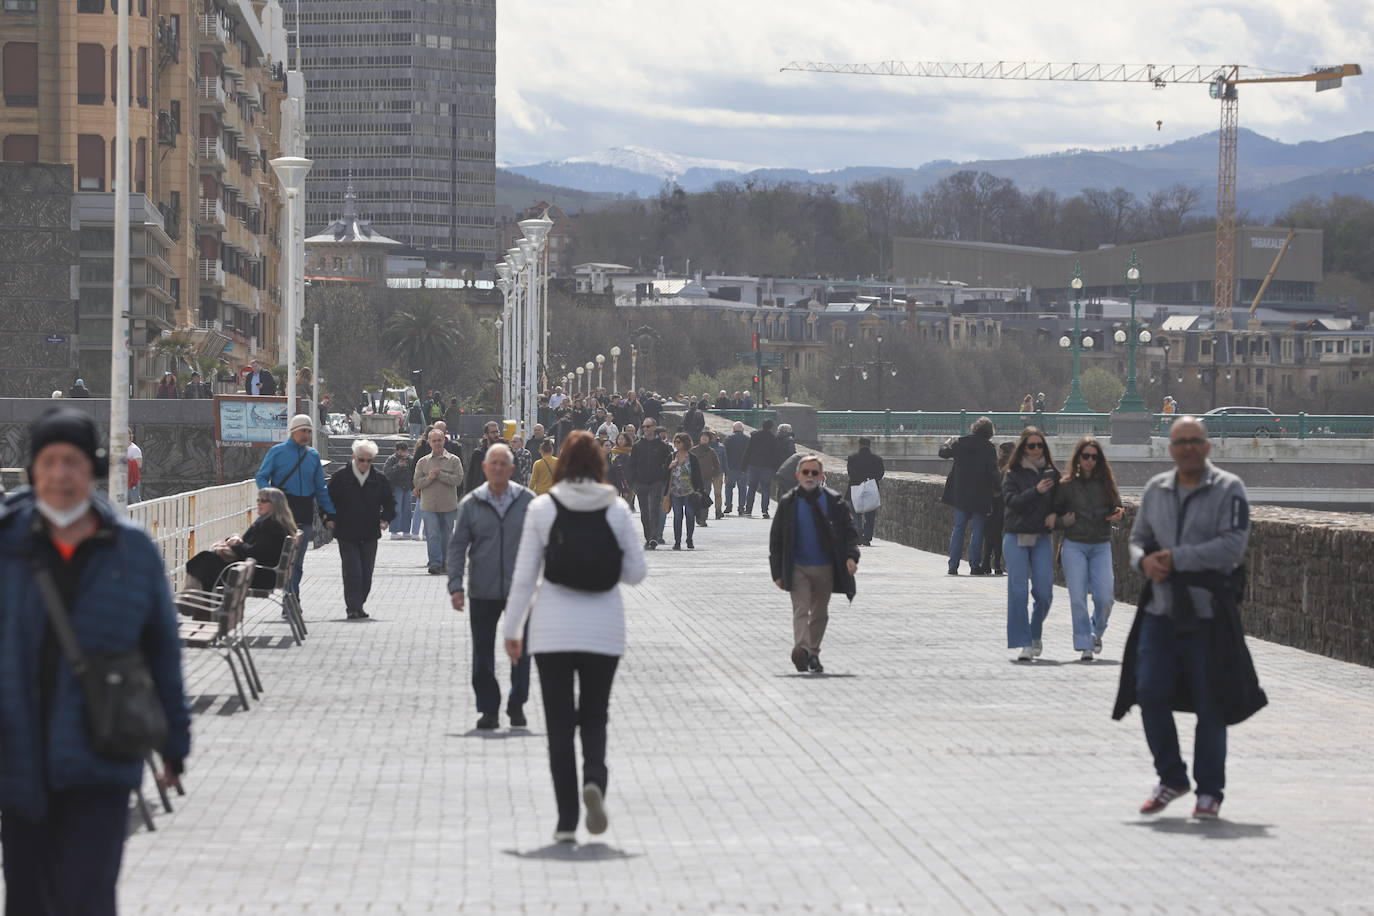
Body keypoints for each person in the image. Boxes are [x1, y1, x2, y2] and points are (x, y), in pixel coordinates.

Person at [0, 407, 190, 913]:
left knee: (87, 895)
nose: (61, 475)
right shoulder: (7, 543)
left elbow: (162, 652)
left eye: (73, 463)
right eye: (49, 462)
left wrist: (174, 743)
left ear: (94, 471)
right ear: (32, 471)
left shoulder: (130, 551)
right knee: (26, 899)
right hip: (19, 759)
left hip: (100, 754)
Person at [501, 430, 648, 843]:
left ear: (562, 462)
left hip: (551, 630)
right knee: (596, 714)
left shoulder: (543, 508)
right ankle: (595, 783)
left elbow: (524, 576)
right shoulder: (616, 508)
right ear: (600, 463)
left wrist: (512, 629)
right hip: (604, 628)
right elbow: (637, 573)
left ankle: (566, 820)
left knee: (560, 724)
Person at [1115, 417, 1260, 820]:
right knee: (1148, 691)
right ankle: (1172, 777)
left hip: (1207, 611)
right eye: (1181, 442)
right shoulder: (1156, 490)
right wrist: (1144, 561)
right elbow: (1137, 540)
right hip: (1161, 610)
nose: (1188, 448)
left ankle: (1210, 792)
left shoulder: (1229, 489)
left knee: (1209, 702)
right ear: (1171, 448)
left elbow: (1232, 546)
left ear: (1207, 447)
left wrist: (1176, 559)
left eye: (1195, 441)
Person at [448, 443, 535, 730]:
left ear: (511, 469)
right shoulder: (471, 504)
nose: (497, 468)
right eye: (492, 463)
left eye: (503, 464)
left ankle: (517, 703)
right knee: (482, 653)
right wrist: (455, 586)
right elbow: (458, 546)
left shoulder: (528, 502)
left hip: (520, 592)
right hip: (482, 590)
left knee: (521, 651)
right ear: (485, 468)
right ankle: (488, 708)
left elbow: (542, 546)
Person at [768, 454, 861, 675]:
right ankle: (801, 649)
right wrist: (777, 573)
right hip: (797, 566)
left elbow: (849, 532)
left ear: (822, 476)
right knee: (801, 609)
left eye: (814, 473)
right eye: (805, 472)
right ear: (797, 475)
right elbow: (777, 540)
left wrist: (851, 557)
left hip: (826, 567)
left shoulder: (834, 501)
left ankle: (813, 653)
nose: (810, 476)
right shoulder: (788, 502)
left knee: (820, 613)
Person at [1054, 437, 1125, 661]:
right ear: (1078, 458)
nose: (1090, 461)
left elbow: (1118, 507)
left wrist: (1118, 514)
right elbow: (1052, 515)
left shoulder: (1106, 483)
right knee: (1078, 598)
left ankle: (1097, 632)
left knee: (1105, 598)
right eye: (1086, 456)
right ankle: (1084, 643)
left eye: (1094, 457)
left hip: (1100, 545)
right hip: (1074, 545)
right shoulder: (1065, 486)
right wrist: (1062, 521)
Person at [255, 414, 336, 608]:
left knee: (297, 562)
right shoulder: (277, 452)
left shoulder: (313, 456)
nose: (306, 434)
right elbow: (261, 477)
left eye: (309, 431)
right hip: (282, 513)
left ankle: (291, 597)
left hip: (304, 512)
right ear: (293, 431)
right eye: (303, 431)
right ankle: (290, 597)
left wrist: (330, 512)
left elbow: (320, 488)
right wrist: (272, 498)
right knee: (284, 559)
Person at [1002, 427, 1059, 661]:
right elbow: (1012, 503)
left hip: (1041, 537)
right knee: (1018, 591)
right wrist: (1035, 491)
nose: (1036, 450)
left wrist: (1056, 515)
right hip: (1016, 536)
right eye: (1031, 446)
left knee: (1044, 592)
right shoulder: (1013, 474)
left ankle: (1035, 634)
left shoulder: (1053, 474)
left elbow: (1062, 502)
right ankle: (1024, 642)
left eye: (1040, 446)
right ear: (1023, 448)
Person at [326, 439, 395, 619]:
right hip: (346, 532)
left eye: (369, 460)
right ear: (353, 457)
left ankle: (359, 604)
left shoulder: (379, 479)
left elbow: (389, 502)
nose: (365, 464)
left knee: (366, 573)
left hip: (370, 532)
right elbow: (328, 501)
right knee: (352, 570)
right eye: (361, 460)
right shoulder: (341, 477)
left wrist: (385, 519)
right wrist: (328, 518)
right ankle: (352, 607)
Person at [186, 487, 294, 590]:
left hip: (258, 575)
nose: (259, 503)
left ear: (275, 505)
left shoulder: (272, 526)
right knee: (205, 561)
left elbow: (255, 553)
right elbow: (249, 545)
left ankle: (195, 600)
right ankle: (199, 600)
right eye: (258, 500)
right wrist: (236, 540)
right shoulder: (270, 522)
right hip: (256, 571)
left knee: (204, 561)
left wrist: (236, 544)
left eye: (264, 501)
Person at [939, 416, 1000, 575]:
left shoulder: (960, 443)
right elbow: (993, 472)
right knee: (978, 530)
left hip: (960, 493)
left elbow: (943, 453)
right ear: (989, 433)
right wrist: (998, 488)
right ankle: (974, 565)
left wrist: (946, 443)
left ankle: (953, 566)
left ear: (974, 428)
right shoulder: (989, 448)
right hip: (981, 494)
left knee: (958, 528)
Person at [414, 429, 465, 576]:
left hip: (448, 505)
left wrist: (440, 475)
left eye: (439, 440)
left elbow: (458, 480)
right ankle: (435, 563)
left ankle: (446, 563)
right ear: (429, 442)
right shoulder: (423, 462)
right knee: (433, 534)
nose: (437, 443)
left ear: (444, 440)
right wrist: (430, 478)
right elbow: (417, 483)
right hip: (429, 505)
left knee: (446, 535)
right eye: (434, 441)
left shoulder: (454, 460)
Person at [628, 417, 672, 549]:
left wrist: (663, 479)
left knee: (654, 509)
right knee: (644, 512)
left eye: (648, 426)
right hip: (641, 482)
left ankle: (654, 537)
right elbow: (632, 465)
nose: (645, 429)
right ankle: (648, 537)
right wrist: (633, 482)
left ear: (654, 427)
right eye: (644, 427)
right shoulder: (637, 446)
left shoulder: (662, 446)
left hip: (656, 482)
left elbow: (667, 464)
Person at [978, 442, 1016, 576]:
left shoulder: (997, 465)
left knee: (988, 534)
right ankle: (997, 565)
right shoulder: (1012, 467)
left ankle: (986, 563)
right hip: (1002, 505)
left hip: (991, 503)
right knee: (997, 535)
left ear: (1002, 453)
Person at [664, 432, 704, 550]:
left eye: (678, 442)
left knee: (690, 515)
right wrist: (670, 466)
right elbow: (664, 473)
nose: (676, 444)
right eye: (675, 442)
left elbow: (698, 474)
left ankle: (689, 539)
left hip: (689, 491)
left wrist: (700, 490)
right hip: (675, 491)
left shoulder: (692, 458)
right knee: (677, 516)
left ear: (685, 443)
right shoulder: (672, 456)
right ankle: (677, 541)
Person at [846, 437, 886, 547]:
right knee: (870, 515)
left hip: (855, 489)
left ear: (859, 445)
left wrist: (860, 481)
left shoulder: (852, 458)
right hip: (871, 489)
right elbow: (880, 473)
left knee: (856, 513)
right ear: (869, 445)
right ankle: (867, 538)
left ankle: (858, 534)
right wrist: (870, 481)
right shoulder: (877, 459)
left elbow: (851, 473)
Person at [741, 419, 781, 519]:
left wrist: (744, 466)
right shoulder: (773, 438)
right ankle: (764, 511)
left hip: (754, 465)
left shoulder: (755, 436)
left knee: (751, 488)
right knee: (766, 489)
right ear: (771, 427)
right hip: (767, 467)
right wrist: (776, 469)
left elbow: (748, 451)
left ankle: (748, 510)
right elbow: (776, 455)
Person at [382, 441, 416, 540]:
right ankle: (394, 531)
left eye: (405, 451)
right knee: (396, 509)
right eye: (402, 451)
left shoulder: (410, 459)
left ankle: (406, 531)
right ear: (397, 451)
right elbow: (387, 472)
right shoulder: (392, 459)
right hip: (396, 487)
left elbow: (414, 471)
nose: (404, 453)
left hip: (407, 487)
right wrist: (398, 466)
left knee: (407, 510)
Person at [690, 431, 722, 526]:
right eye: (702, 437)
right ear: (700, 438)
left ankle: (703, 518)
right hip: (694, 480)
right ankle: (696, 516)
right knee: (694, 499)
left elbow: (717, 466)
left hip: (706, 479)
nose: (704, 438)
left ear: (709, 440)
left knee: (704, 498)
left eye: (706, 437)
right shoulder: (693, 450)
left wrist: (712, 474)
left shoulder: (711, 452)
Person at [465, 420, 503, 493]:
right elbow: (471, 477)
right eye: (492, 432)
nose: (496, 435)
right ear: (486, 435)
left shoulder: (506, 452)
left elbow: (514, 475)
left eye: (497, 432)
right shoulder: (478, 454)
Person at [722, 421, 748, 514]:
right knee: (743, 489)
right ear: (743, 429)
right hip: (743, 468)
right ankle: (741, 508)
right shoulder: (747, 439)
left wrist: (725, 469)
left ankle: (728, 506)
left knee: (728, 487)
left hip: (731, 467)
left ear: (733, 429)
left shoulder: (729, 438)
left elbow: (724, 454)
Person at [126, 428, 144, 504]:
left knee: (135, 500)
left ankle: (141, 515)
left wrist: (124, 462)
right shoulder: (119, 449)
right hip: (121, 479)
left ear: (130, 436)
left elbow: (139, 464)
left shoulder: (134, 449)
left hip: (132, 479)